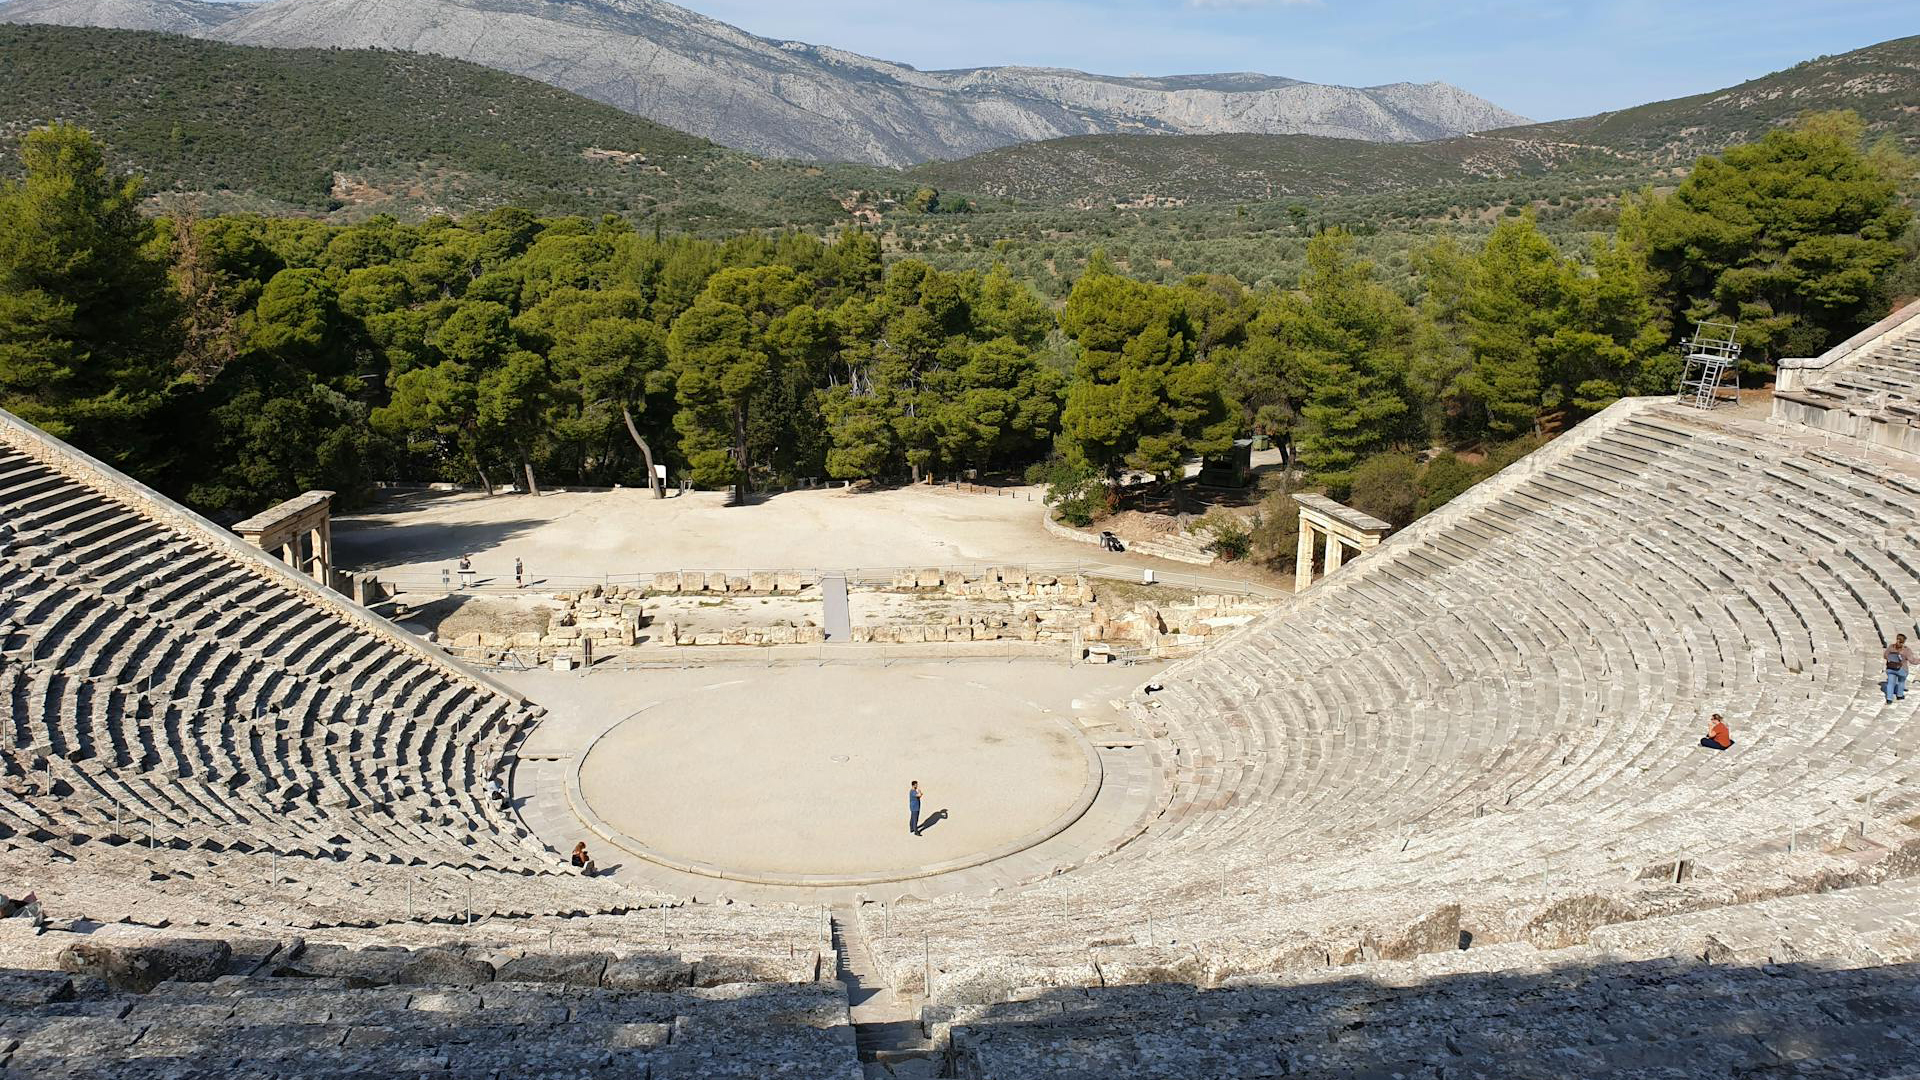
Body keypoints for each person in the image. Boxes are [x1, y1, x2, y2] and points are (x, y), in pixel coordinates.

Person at [1885, 634, 1916, 704]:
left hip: (1891, 668)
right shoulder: (1906, 650)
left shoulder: (1891, 647)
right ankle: (1899, 695)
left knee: (1890, 683)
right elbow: (1912, 660)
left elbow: (1885, 655)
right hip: (1901, 669)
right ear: (1904, 641)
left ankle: (1889, 699)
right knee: (1901, 681)